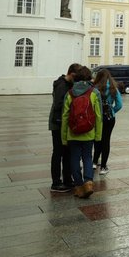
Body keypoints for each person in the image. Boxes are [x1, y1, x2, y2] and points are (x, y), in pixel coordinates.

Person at [60, 66, 103, 199]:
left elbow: (65, 117)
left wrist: (64, 137)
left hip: (73, 133)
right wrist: (98, 135)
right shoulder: (94, 93)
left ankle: (78, 186)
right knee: (87, 158)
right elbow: (99, 116)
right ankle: (88, 183)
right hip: (89, 133)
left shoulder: (69, 93)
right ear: (89, 78)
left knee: (74, 158)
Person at [48, 63, 81, 193]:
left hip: (64, 123)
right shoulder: (62, 85)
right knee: (58, 152)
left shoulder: (68, 84)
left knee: (67, 152)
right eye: (76, 78)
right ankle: (56, 183)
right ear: (71, 74)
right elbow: (59, 105)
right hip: (58, 124)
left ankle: (67, 179)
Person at [92, 68, 123, 175]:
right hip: (109, 118)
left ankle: (94, 162)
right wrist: (112, 111)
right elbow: (119, 104)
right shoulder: (114, 88)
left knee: (97, 139)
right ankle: (103, 167)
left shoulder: (94, 88)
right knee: (106, 141)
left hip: (97, 118)